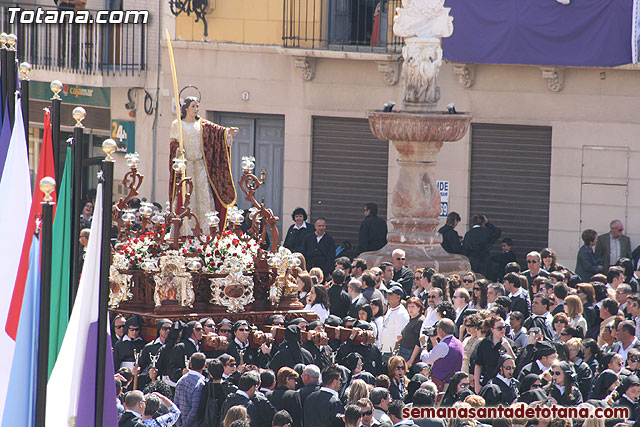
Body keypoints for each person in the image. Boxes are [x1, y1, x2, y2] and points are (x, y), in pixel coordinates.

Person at [169, 96, 239, 229]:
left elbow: (218, 132)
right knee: (186, 198)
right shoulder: (177, 124)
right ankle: (185, 230)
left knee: (204, 198)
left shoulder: (202, 124)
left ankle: (206, 230)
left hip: (200, 166)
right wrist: (177, 149)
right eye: (193, 106)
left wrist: (227, 132)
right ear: (186, 108)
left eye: (197, 106)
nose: (196, 109)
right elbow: (173, 143)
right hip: (186, 166)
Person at [419, 319, 463, 392]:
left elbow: (426, 360)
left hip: (441, 384)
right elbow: (441, 355)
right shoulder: (458, 342)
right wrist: (433, 340)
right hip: (452, 383)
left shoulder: (443, 345)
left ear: (440, 330)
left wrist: (424, 346)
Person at [174, 352, 207, 427]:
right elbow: (195, 409)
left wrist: (179, 424)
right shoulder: (200, 384)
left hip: (181, 423)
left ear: (190, 364)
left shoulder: (180, 380)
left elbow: (175, 404)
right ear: (204, 366)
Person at [398, 297, 425, 366]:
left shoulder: (419, 321)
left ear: (419, 308)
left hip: (410, 353)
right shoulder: (411, 318)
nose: (410, 309)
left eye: (413, 306)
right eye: (409, 306)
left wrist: (411, 360)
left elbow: (418, 342)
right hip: (403, 350)